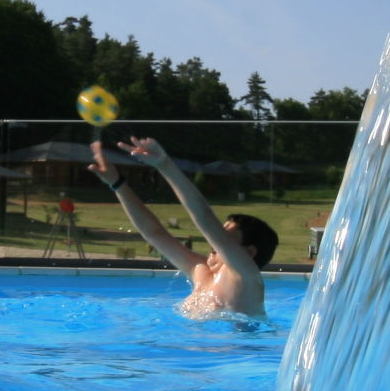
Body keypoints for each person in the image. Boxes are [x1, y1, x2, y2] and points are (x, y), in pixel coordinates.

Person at [88, 135, 277, 317]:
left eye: (225, 235)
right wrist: (117, 184)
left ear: (249, 252)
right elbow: (155, 234)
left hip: (241, 349)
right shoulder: (201, 272)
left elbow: (204, 218)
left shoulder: (246, 278)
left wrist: (164, 165)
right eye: (221, 230)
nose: (215, 239)